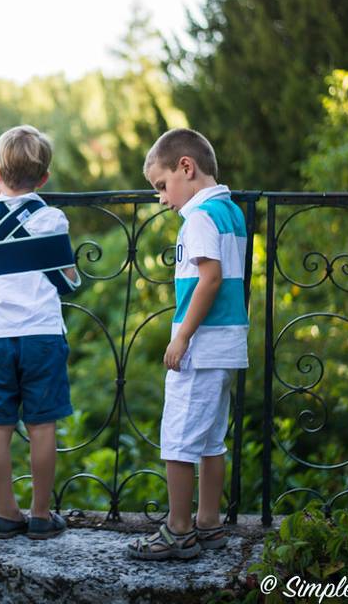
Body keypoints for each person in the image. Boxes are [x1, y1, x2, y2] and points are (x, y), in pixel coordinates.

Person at [128, 128, 249, 560]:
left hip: (200, 346)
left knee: (178, 438)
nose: (161, 198)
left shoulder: (199, 217)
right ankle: (209, 523)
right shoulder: (230, 211)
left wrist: (181, 336)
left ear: (187, 167)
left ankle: (178, 531)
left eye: (162, 186)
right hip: (226, 343)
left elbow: (210, 279)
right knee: (212, 439)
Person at [0, 124, 80, 540]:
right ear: (44, 179)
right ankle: (42, 515)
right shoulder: (52, 217)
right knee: (43, 426)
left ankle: (6, 513)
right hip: (42, 334)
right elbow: (67, 274)